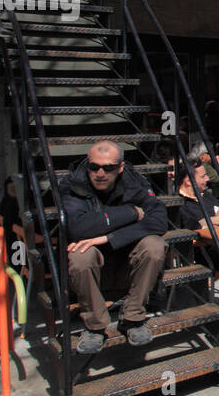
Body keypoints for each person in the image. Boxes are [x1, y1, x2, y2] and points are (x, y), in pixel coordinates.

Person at [61, 140, 169, 354]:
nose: (100, 173)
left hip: (123, 251)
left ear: (120, 167)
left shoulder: (133, 181)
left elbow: (159, 221)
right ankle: (95, 326)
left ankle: (133, 317)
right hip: (93, 257)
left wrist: (108, 237)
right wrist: (131, 212)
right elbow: (80, 228)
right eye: (94, 166)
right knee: (80, 254)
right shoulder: (73, 184)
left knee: (155, 245)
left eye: (108, 167)